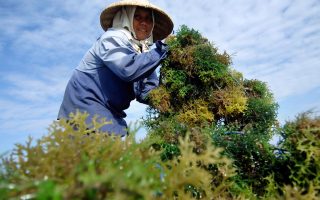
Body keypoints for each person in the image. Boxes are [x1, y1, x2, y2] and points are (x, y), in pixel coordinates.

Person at [58, 0, 174, 136]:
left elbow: (146, 91)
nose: (144, 23)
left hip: (109, 114)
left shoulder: (142, 52)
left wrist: (172, 98)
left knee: (113, 146)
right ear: (127, 17)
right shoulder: (112, 38)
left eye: (149, 19)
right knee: (99, 153)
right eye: (138, 17)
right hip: (85, 109)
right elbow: (128, 69)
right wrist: (163, 49)